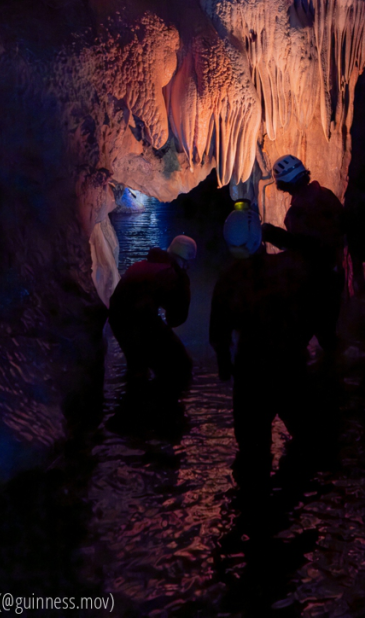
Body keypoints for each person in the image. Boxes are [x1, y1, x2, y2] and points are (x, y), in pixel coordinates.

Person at [210, 202, 314, 483]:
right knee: (307, 443)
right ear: (258, 238)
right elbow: (312, 254)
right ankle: (299, 508)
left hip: (250, 372)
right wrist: (274, 234)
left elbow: (218, 333)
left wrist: (224, 366)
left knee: (252, 454)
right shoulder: (286, 268)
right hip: (289, 366)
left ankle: (251, 513)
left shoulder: (228, 281)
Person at [261, 155, 345, 352]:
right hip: (335, 275)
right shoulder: (326, 194)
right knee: (327, 336)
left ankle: (304, 378)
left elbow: (305, 247)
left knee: (296, 339)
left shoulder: (299, 211)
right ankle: (335, 373)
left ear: (282, 183)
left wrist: (272, 234)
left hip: (315, 283)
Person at [108, 234, 197, 394]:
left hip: (117, 319)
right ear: (187, 261)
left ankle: (132, 398)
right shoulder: (173, 275)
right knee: (182, 365)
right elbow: (175, 318)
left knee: (137, 366)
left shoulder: (145, 264)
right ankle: (164, 407)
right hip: (139, 321)